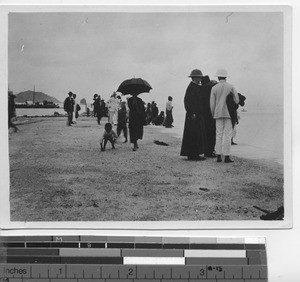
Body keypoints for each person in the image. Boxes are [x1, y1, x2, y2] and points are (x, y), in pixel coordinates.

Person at [210, 68, 239, 163]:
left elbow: (212, 104)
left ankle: (218, 155)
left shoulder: (214, 88)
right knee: (228, 135)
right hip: (229, 113)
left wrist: (213, 113)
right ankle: (226, 156)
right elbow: (237, 100)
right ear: (226, 77)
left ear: (218, 77)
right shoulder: (231, 87)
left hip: (218, 113)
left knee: (218, 134)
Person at [180, 69, 206, 161]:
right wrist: (192, 113)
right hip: (193, 115)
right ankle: (193, 155)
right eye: (199, 78)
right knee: (194, 135)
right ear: (195, 77)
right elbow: (187, 102)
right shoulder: (192, 87)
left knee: (195, 134)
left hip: (195, 114)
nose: (200, 79)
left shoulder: (194, 87)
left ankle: (194, 154)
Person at [200, 76, 217, 157]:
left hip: (203, 115)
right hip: (211, 114)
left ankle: (205, 150)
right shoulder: (211, 88)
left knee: (205, 133)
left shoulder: (200, 89)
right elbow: (215, 83)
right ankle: (210, 151)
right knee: (212, 133)